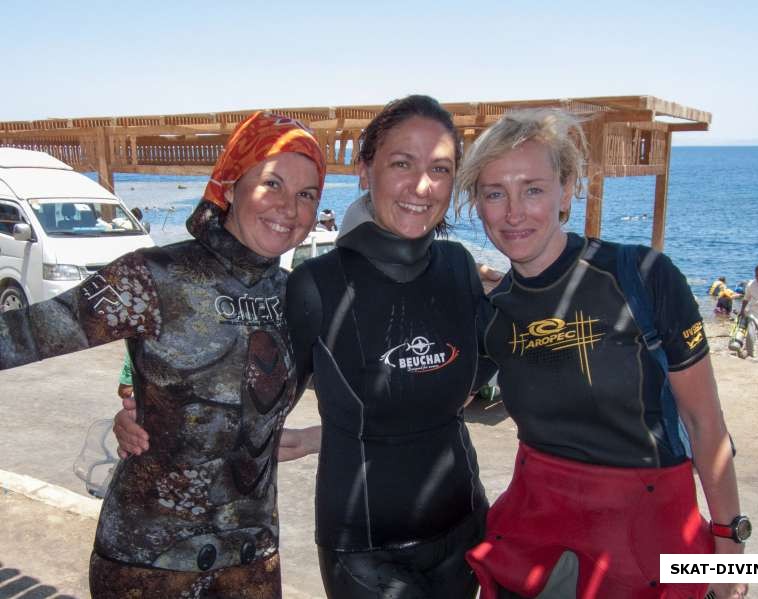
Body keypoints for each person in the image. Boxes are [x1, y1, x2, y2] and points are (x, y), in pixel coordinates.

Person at [115, 95, 493, 599]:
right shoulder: (316, 285)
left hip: (465, 529)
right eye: (402, 163)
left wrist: (327, 434)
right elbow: (234, 396)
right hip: (366, 549)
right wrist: (150, 415)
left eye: (439, 168)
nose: (422, 185)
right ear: (365, 171)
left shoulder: (459, 267)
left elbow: (477, 379)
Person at [0, 112, 326, 598]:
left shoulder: (301, 297)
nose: (289, 207)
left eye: (307, 194)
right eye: (272, 184)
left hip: (250, 558)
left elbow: (382, 392)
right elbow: (23, 334)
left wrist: (322, 437)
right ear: (230, 185)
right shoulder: (152, 277)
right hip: (145, 560)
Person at [455, 108, 747, 599]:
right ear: (478, 204)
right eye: (494, 193)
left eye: (533, 189)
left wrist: (731, 554)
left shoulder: (643, 276)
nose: (514, 213)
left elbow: (705, 423)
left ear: (567, 189)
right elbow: (436, 401)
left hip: (651, 542)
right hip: (536, 544)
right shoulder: (494, 311)